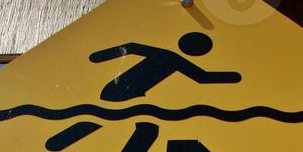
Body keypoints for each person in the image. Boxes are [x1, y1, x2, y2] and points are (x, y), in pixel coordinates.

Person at [90, 32, 241, 103]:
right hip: (118, 91)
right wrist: (98, 57)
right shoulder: (172, 58)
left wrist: (234, 76)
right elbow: (202, 77)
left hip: (123, 93)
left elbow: (202, 77)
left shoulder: (171, 57)